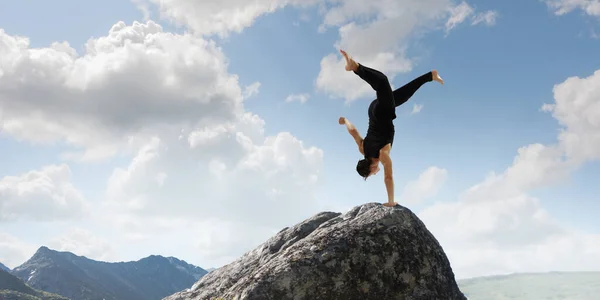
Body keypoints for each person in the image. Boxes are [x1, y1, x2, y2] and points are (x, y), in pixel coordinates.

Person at [338, 49, 444, 207]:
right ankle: (431, 75)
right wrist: (345, 120)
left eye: (372, 173)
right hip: (373, 110)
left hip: (383, 111)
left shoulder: (383, 155)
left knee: (382, 82)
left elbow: (388, 177)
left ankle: (356, 67)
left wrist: (391, 201)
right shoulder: (363, 150)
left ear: (371, 167)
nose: (375, 173)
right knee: (404, 95)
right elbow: (353, 132)